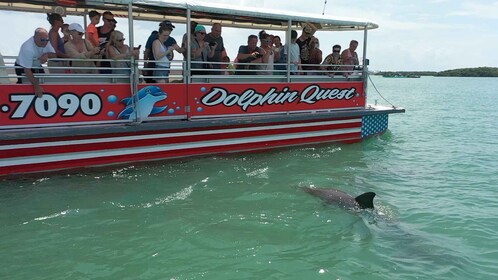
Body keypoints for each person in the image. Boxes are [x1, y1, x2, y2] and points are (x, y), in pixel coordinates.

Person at [14, 28, 56, 97]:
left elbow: (54, 55)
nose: (45, 42)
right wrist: (36, 86)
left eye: (47, 39)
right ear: (35, 38)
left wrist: (47, 55)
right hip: (22, 66)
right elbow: (27, 70)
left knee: (44, 81)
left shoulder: (46, 41)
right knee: (25, 85)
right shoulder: (27, 48)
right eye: (42, 39)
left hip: (37, 65)